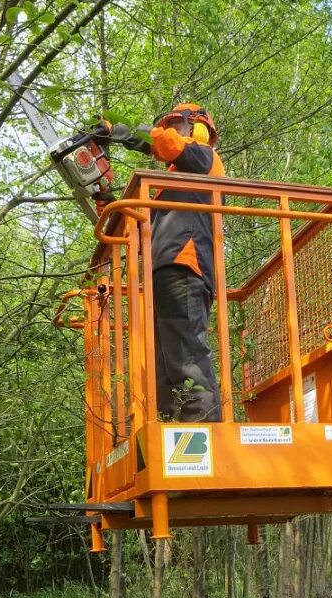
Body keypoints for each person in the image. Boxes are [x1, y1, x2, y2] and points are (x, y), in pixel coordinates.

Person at [109, 104, 225, 422]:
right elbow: (139, 227)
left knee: (186, 353)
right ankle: (170, 431)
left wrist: (123, 129)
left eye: (178, 125)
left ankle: (204, 432)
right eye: (169, 125)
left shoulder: (204, 159)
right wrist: (109, 201)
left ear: (199, 129)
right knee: (165, 362)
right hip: (164, 271)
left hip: (185, 265)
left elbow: (169, 145)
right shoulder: (166, 189)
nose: (171, 132)